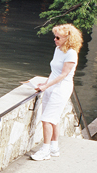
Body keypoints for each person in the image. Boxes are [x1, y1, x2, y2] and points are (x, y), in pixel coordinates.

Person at [27, 23, 82, 161]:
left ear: (67, 39)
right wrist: (46, 83)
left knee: (46, 119)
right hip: (52, 85)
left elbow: (63, 74)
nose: (55, 39)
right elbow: (55, 70)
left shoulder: (71, 53)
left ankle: (45, 150)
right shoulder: (59, 49)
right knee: (53, 119)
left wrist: (46, 87)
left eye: (58, 37)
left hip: (62, 88)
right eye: (55, 37)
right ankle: (54, 148)